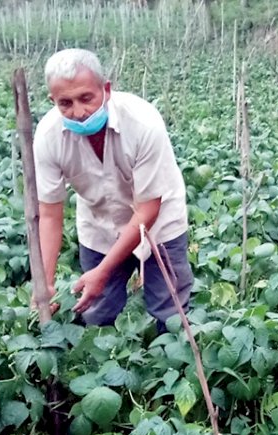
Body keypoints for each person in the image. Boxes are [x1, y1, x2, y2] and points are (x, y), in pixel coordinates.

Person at [33, 48, 193, 331]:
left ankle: (174, 367)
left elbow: (148, 210)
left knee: (169, 313)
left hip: (159, 223)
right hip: (99, 226)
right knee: (97, 314)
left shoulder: (143, 123)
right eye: (65, 103)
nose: (79, 112)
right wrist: (44, 281)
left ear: (106, 89)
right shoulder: (48, 137)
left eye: (86, 98)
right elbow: (49, 215)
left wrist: (103, 271)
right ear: (52, 101)